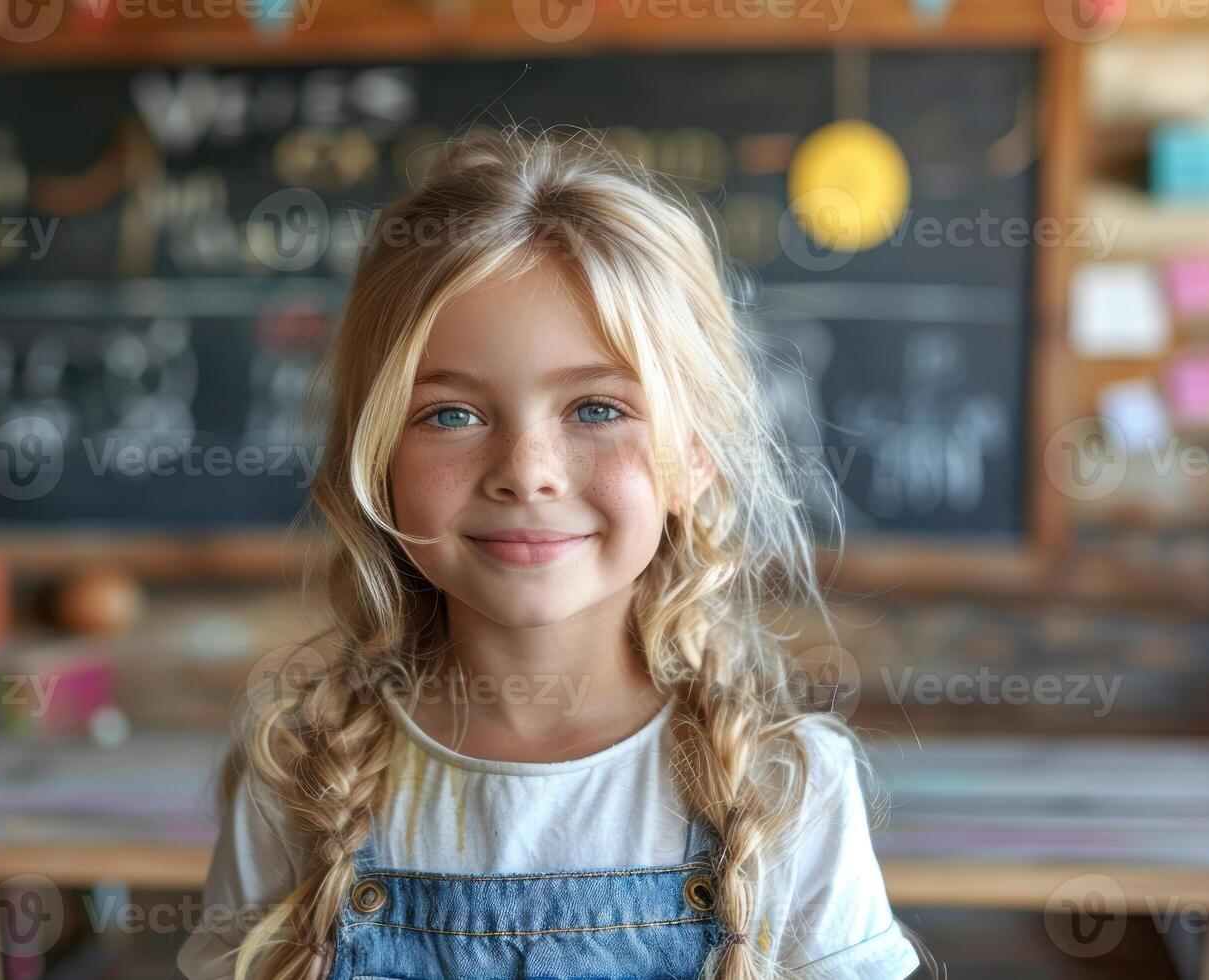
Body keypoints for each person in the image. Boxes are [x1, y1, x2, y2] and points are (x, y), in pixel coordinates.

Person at [178, 125, 923, 980]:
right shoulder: (295, 779)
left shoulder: (790, 786)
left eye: (596, 409)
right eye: (451, 414)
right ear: (375, 460)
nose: (526, 474)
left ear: (696, 455)